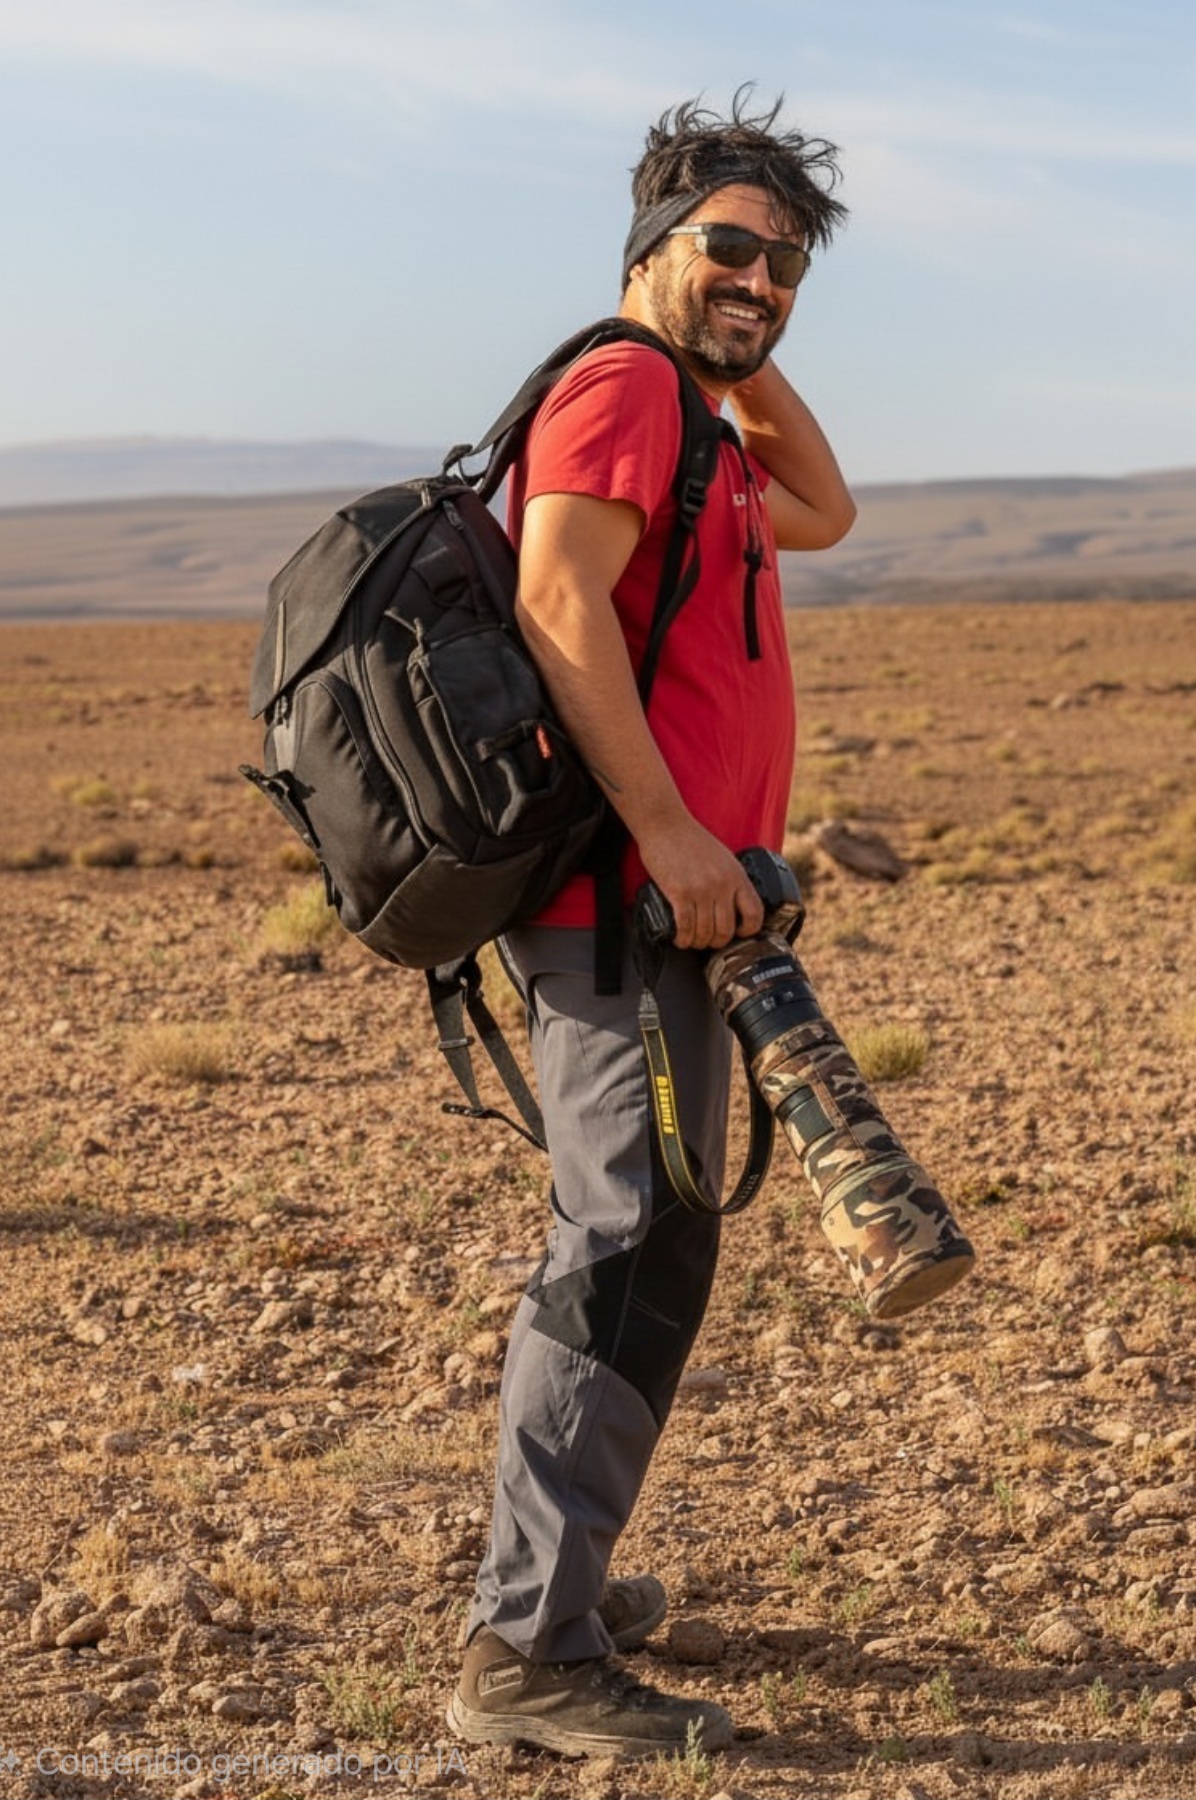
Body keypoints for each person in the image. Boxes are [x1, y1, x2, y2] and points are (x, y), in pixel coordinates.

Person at [448, 91, 855, 1760]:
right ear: (648, 250)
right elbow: (557, 601)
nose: (763, 276)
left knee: (645, 1235)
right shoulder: (622, 388)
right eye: (731, 248)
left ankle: (557, 1583)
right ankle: (528, 1653)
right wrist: (677, 835)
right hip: (627, 902)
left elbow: (825, 508)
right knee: (623, 1248)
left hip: (668, 903)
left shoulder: (691, 408)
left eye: (790, 260)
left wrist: (738, 342)